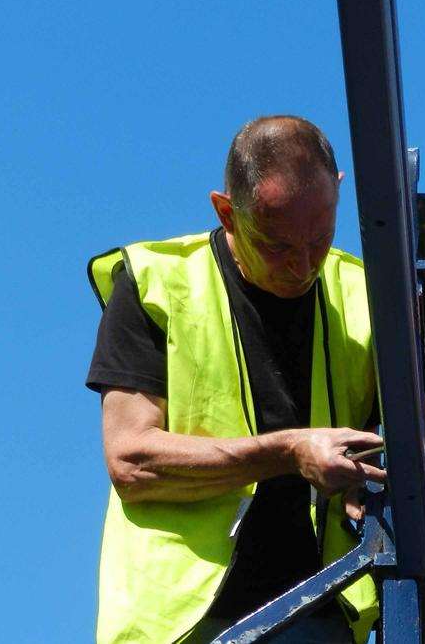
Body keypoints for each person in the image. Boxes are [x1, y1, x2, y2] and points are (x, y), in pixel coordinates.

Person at [85, 116, 383, 644]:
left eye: (319, 238)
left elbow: (388, 456)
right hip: (181, 625)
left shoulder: (367, 296)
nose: (301, 265)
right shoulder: (156, 283)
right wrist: (289, 451)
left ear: (338, 191)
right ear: (226, 211)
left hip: (322, 612)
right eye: (275, 244)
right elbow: (130, 459)